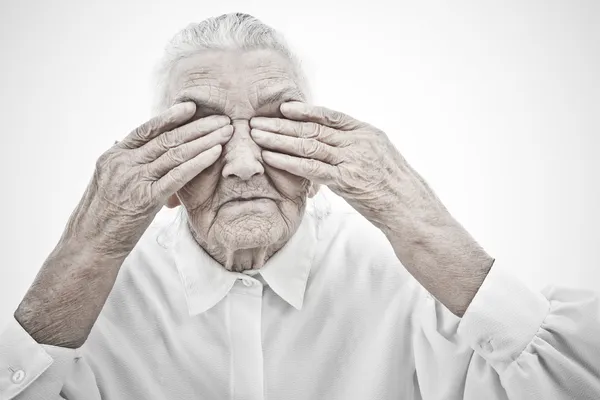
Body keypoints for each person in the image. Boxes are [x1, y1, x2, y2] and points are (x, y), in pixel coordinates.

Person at [1, 12, 599, 400]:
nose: (242, 164)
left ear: (320, 149)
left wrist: (415, 214)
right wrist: (87, 247)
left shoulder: (408, 284)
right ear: (160, 160)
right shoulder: (96, 299)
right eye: (202, 131)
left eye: (273, 125)